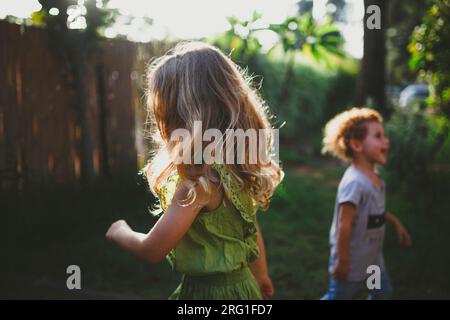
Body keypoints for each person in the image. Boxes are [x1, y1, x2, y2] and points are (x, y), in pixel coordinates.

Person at [106, 42, 283, 300]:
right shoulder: (238, 169)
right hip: (245, 287)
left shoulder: (197, 185)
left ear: (178, 115)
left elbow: (151, 250)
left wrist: (120, 231)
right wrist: (262, 275)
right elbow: (252, 231)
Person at [321, 107, 412, 300]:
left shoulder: (376, 178)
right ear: (356, 144)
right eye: (378, 136)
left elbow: (374, 212)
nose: (385, 140)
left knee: (382, 293)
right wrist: (343, 262)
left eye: (384, 135)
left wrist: (396, 223)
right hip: (351, 265)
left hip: (372, 262)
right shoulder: (355, 183)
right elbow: (344, 225)